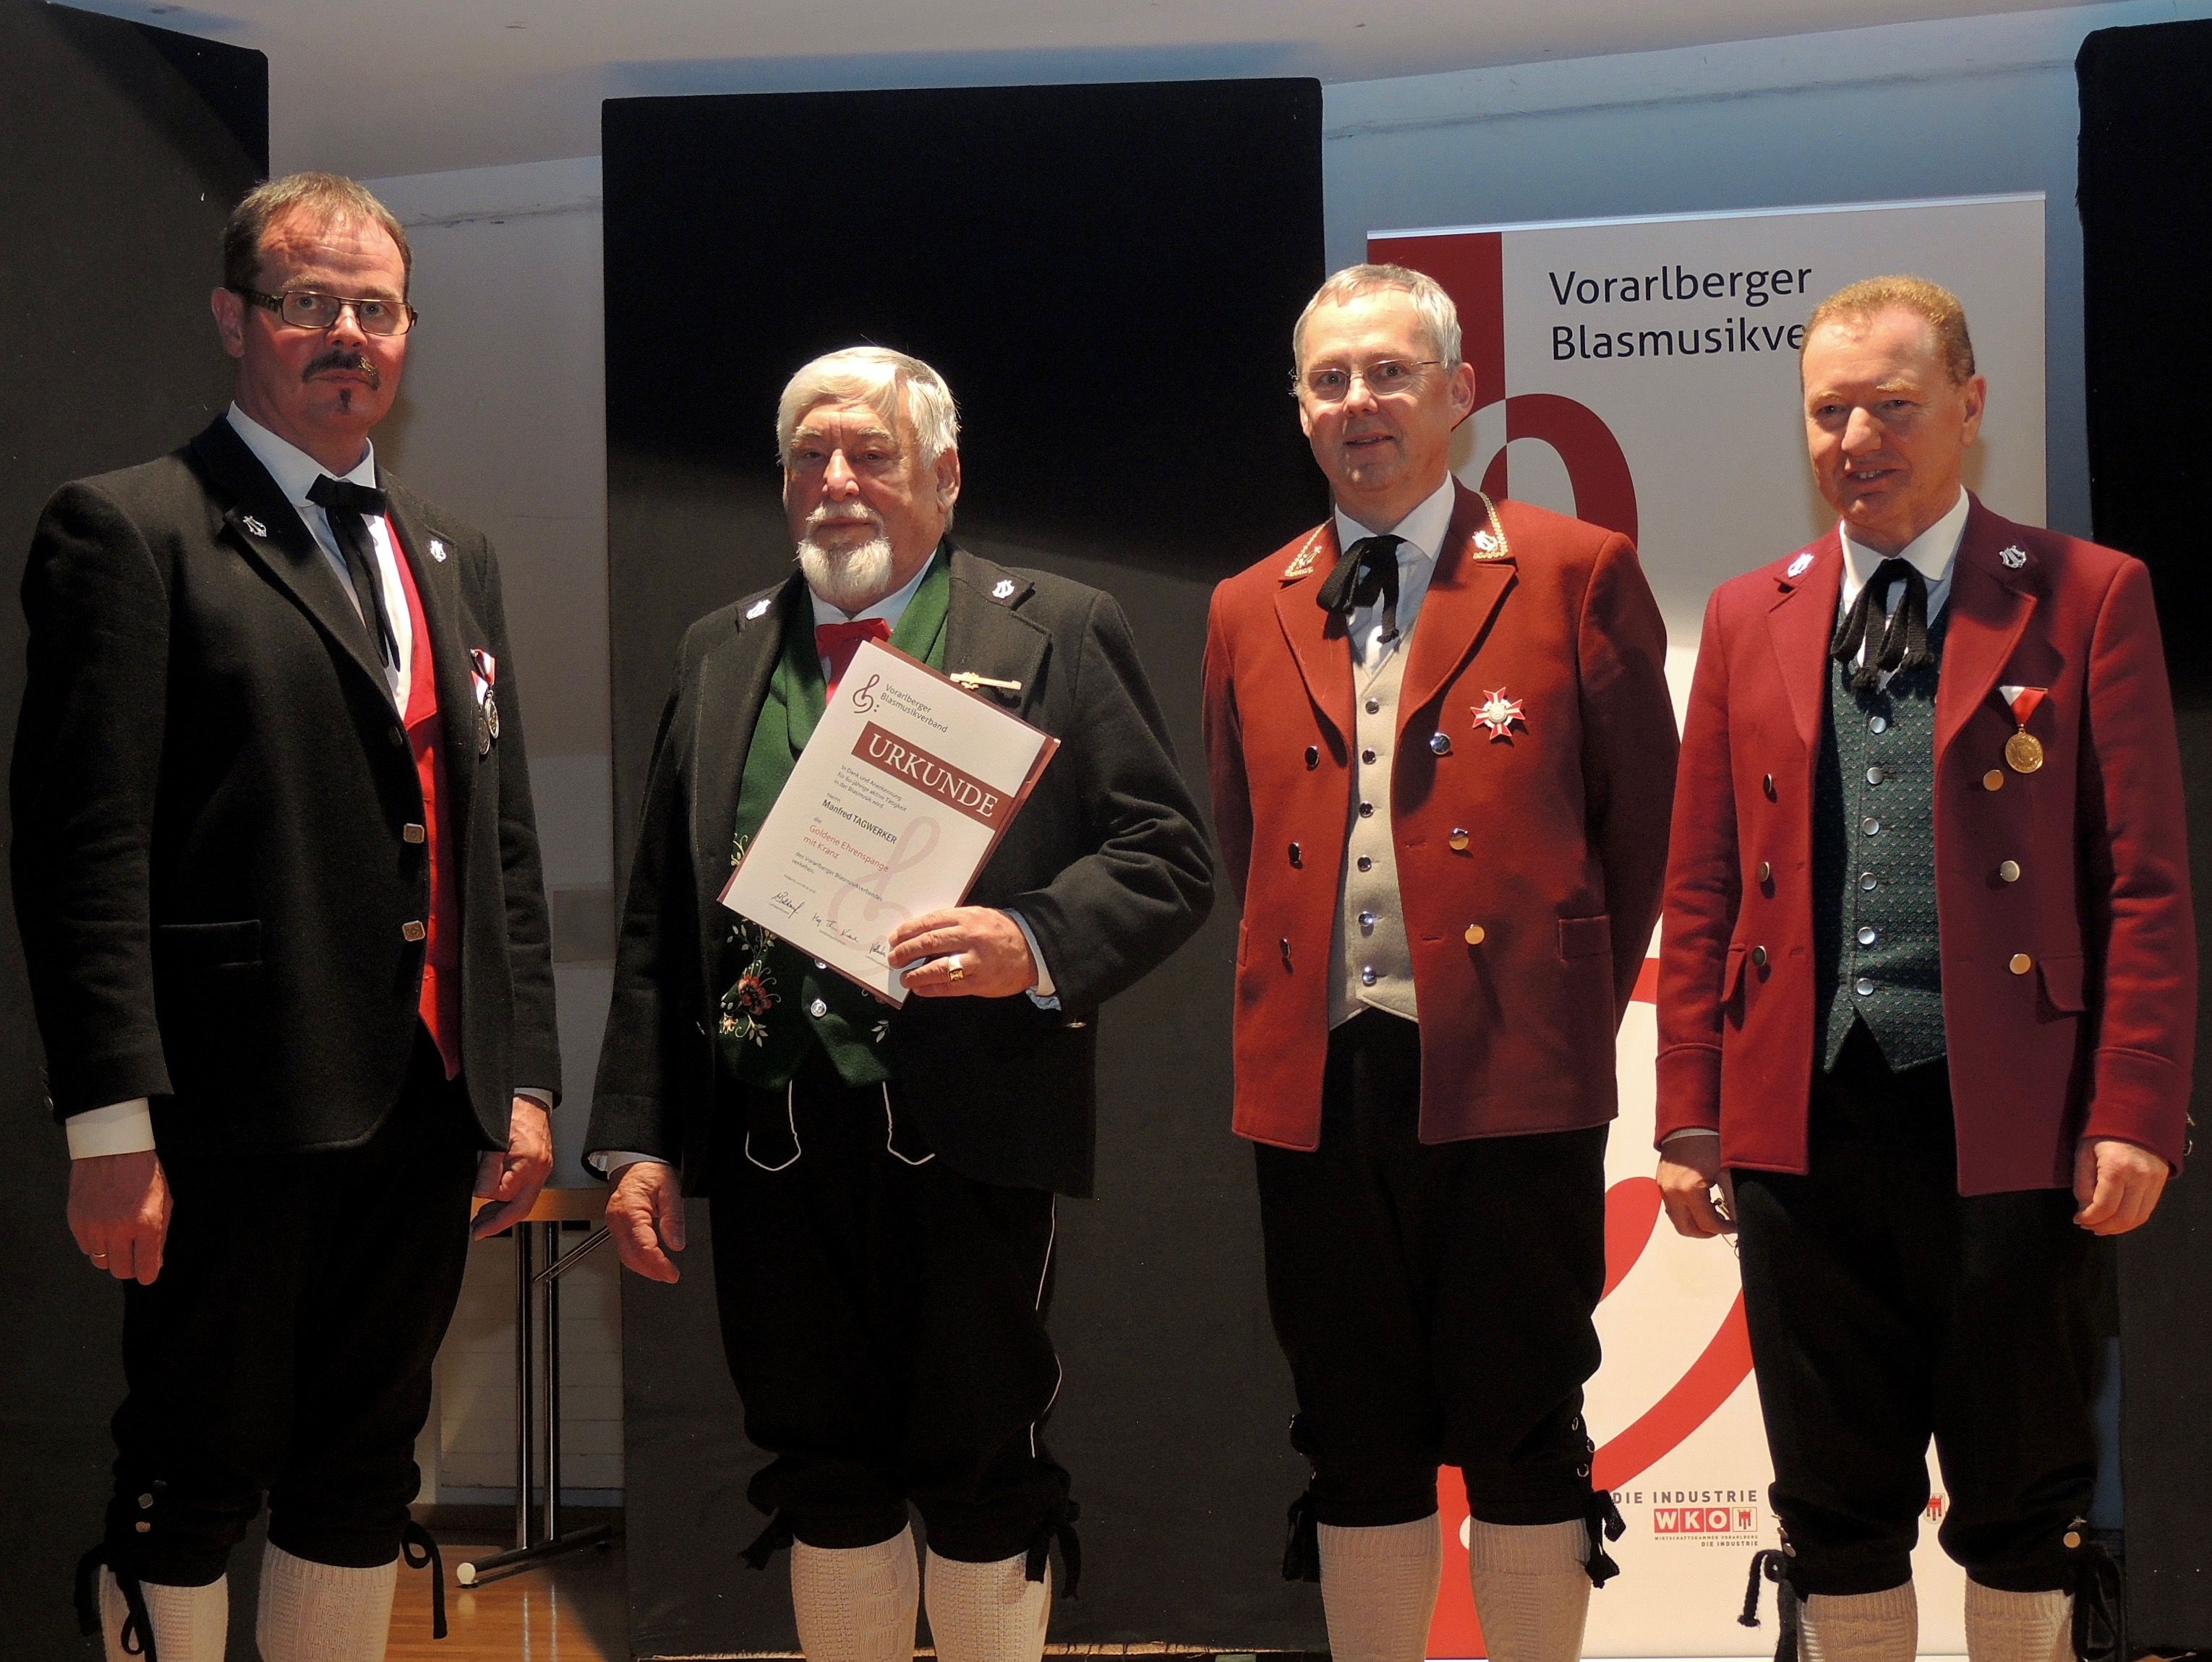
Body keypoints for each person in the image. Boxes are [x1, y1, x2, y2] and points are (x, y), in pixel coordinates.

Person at [587, 346, 1212, 1662]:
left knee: (980, 1460)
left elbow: (1167, 856)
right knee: (820, 1467)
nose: (836, 482)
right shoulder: (719, 650)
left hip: (968, 1129)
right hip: (770, 1140)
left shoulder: (1055, 626)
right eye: (808, 457)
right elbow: (658, 918)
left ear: (945, 474)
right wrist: (638, 1139)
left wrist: (1028, 940)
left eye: (871, 454)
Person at [11, 173, 562, 1662]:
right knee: (190, 1473)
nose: (345, 334)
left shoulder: (453, 552)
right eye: (308, 301)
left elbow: (498, 844)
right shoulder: (129, 529)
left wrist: (519, 1080)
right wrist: (108, 1123)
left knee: (362, 1470)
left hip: (427, 1102)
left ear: (407, 335)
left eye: (375, 308)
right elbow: (82, 852)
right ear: (233, 318)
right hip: (226, 1105)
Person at [1654, 275, 2193, 1662]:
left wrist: (2134, 1106)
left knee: (2018, 1494)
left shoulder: (2085, 594)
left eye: (1891, 406)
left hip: (2011, 1112)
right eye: (1827, 411)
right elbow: (1703, 883)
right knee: (1833, 1498)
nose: (1856, 440)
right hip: (1802, 1117)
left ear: (1968, 404)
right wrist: (1687, 1110)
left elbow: (2141, 882)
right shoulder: (1747, 612)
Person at [1200, 264, 1678, 1662]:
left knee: (1523, 1418)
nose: (1360, 403)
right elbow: (1244, 832)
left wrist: (1556, 1009)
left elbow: (1638, 830)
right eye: (1330, 379)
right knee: (1351, 1425)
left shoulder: (1574, 568)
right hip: (1315, 1078)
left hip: (1512, 1072)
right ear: (1298, 408)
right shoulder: (1245, 602)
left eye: (1390, 372)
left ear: (1458, 393)